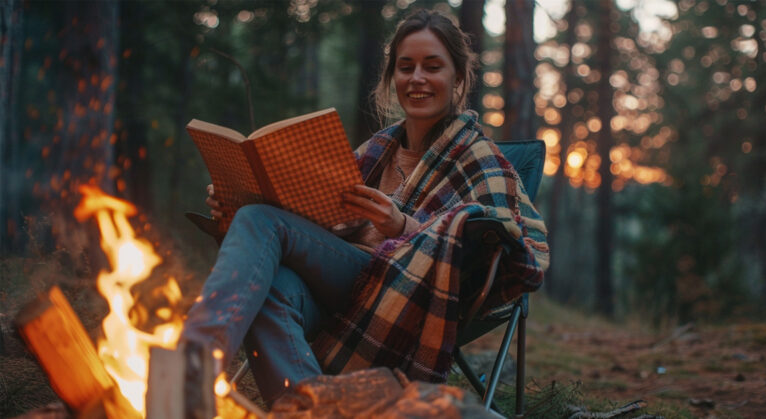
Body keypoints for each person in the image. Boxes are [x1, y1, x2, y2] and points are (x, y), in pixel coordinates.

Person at [182, 9, 549, 406]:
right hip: (343, 285)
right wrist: (237, 201)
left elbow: (523, 247)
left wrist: (405, 225)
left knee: (261, 222)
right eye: (405, 67)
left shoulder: (479, 158)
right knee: (272, 282)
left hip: (400, 292)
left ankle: (192, 368)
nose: (417, 79)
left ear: (458, 78)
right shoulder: (376, 150)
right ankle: (312, 411)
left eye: (433, 66)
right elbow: (316, 219)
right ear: (392, 77)